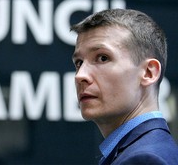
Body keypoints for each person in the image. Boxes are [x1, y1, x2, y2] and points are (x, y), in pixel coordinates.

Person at [71, 9, 178, 164]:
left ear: (149, 73)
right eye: (79, 62)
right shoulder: (144, 152)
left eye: (102, 58)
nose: (80, 75)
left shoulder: (145, 159)